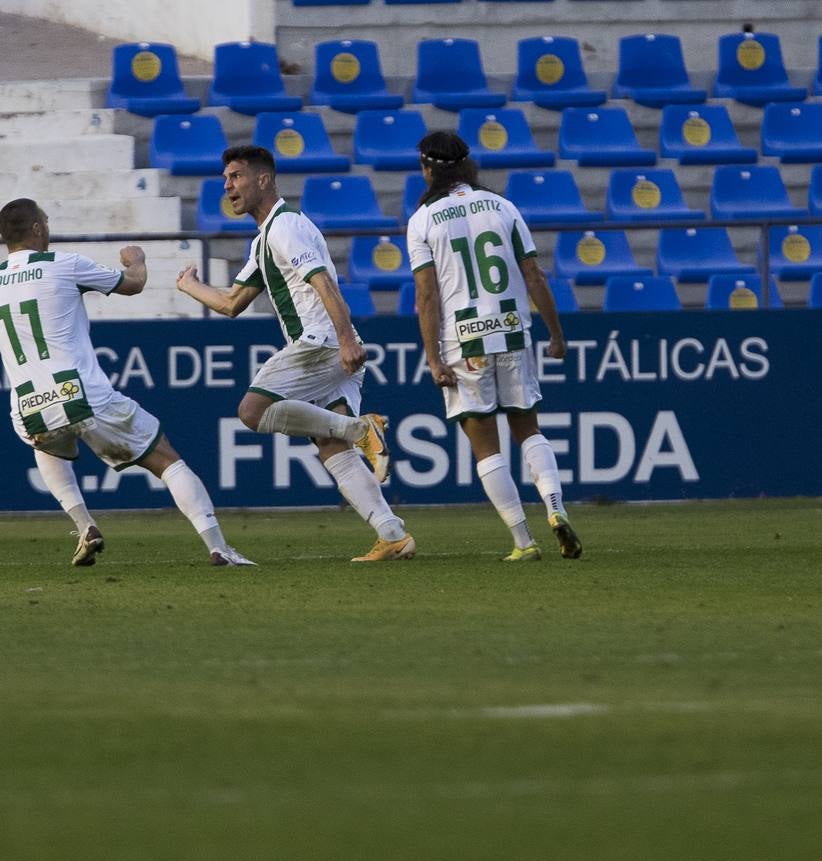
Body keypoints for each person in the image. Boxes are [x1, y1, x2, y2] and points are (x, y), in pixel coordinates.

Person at [0, 198, 255, 567]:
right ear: (37, 229)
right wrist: (135, 259)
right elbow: (134, 285)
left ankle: (84, 525)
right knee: (167, 460)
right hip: (80, 391)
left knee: (45, 445)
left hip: (27, 403)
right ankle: (219, 547)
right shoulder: (63, 264)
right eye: (46, 222)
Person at [175, 145, 415, 563]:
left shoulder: (286, 226)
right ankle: (392, 534)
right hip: (328, 343)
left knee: (252, 411)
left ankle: (362, 430)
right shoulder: (264, 238)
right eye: (226, 178)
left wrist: (345, 340)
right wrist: (189, 285)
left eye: (236, 177)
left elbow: (324, 283)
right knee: (328, 443)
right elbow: (233, 303)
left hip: (320, 341)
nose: (227, 186)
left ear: (263, 180)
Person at [406, 130, 582, 561]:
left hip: (464, 340)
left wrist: (433, 357)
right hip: (513, 331)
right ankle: (555, 509)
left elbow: (426, 296)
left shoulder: (423, 220)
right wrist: (556, 333)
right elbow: (534, 276)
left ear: (428, 170)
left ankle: (524, 542)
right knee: (529, 428)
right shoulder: (504, 207)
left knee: (486, 446)